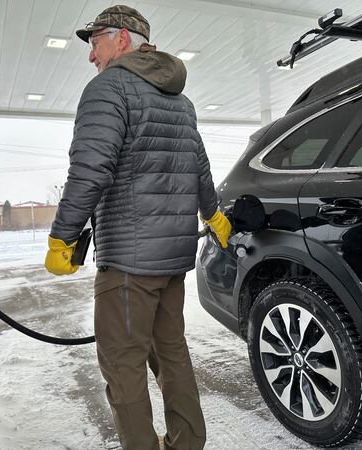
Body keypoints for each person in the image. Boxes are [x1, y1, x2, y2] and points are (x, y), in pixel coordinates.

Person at [44, 5, 231, 449]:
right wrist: (214, 215)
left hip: (129, 263)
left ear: (122, 38)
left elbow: (91, 170)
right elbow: (198, 168)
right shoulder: (180, 100)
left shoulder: (108, 88)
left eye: (95, 43)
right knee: (172, 353)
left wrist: (62, 236)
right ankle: (187, 443)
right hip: (172, 260)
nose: (91, 56)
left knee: (123, 364)